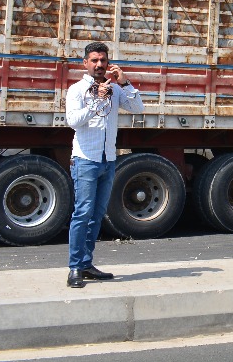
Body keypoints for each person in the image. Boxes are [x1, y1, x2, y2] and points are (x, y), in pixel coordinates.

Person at [65, 41, 144, 288]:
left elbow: (138, 108)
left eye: (103, 61)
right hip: (85, 160)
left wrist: (125, 83)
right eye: (95, 60)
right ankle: (75, 268)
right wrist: (95, 102)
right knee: (82, 213)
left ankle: (87, 264)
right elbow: (73, 121)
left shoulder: (115, 89)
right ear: (85, 63)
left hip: (108, 160)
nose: (100, 65)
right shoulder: (77, 90)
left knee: (97, 216)